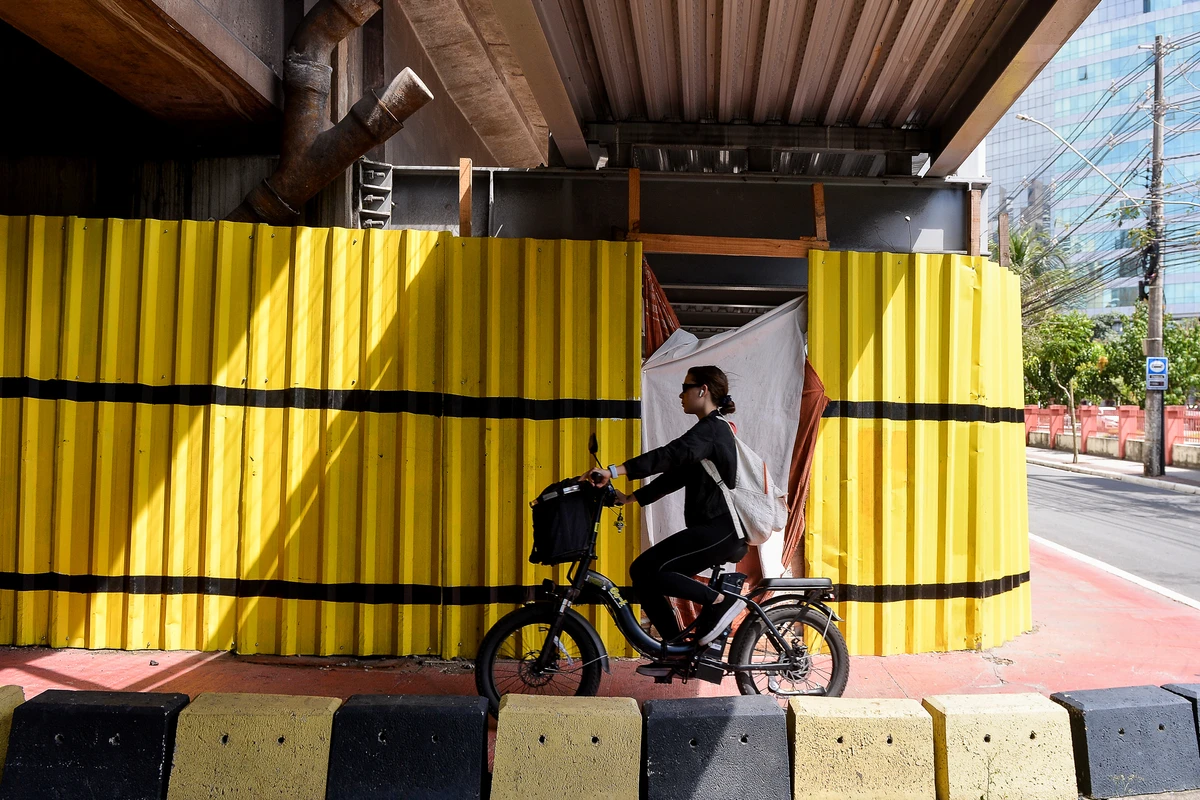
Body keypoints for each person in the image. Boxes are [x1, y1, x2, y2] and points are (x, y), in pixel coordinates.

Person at [583, 365, 747, 677]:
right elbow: (677, 474)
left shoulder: (712, 429)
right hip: (713, 529)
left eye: (686, 387)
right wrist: (632, 498)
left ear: (703, 391)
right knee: (646, 574)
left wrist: (615, 471)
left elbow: (669, 455)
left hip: (721, 529)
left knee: (646, 569)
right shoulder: (710, 431)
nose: (680, 394)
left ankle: (720, 601)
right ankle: (675, 651)